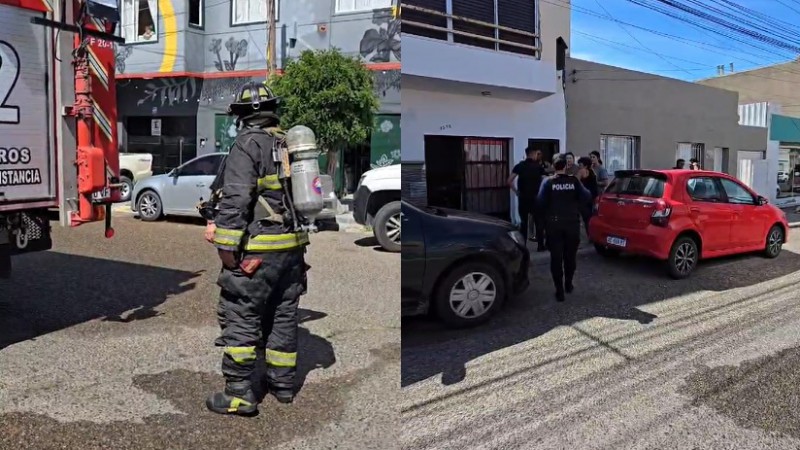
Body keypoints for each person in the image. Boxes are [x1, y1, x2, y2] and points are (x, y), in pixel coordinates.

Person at [206, 81, 311, 416]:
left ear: (242, 116)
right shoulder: (289, 145)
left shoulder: (247, 145)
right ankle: (282, 385)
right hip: (292, 251)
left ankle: (238, 392)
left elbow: (236, 198)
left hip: (257, 250)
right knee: (283, 315)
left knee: (241, 313)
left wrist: (226, 245)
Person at [537, 158, 592, 302]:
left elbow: (540, 202)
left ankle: (559, 291)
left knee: (556, 258)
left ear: (554, 167)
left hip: (554, 224)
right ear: (566, 167)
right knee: (570, 257)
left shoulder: (548, 182)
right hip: (571, 223)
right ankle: (568, 284)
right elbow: (587, 196)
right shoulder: (573, 181)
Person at [508, 147, 547, 250]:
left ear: (526, 154)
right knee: (539, 222)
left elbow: (509, 180)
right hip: (536, 198)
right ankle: (540, 245)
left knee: (524, 223)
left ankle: (523, 246)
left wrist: (517, 192)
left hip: (523, 198)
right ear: (533, 154)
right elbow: (544, 181)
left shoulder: (520, 166)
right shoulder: (538, 167)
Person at [577, 156, 598, 235]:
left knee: (586, 218)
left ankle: (590, 235)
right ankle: (593, 234)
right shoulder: (592, 171)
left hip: (584, 198)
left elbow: (576, 183)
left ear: (585, 165)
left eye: (580, 164)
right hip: (593, 196)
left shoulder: (582, 171)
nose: (579, 166)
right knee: (591, 217)